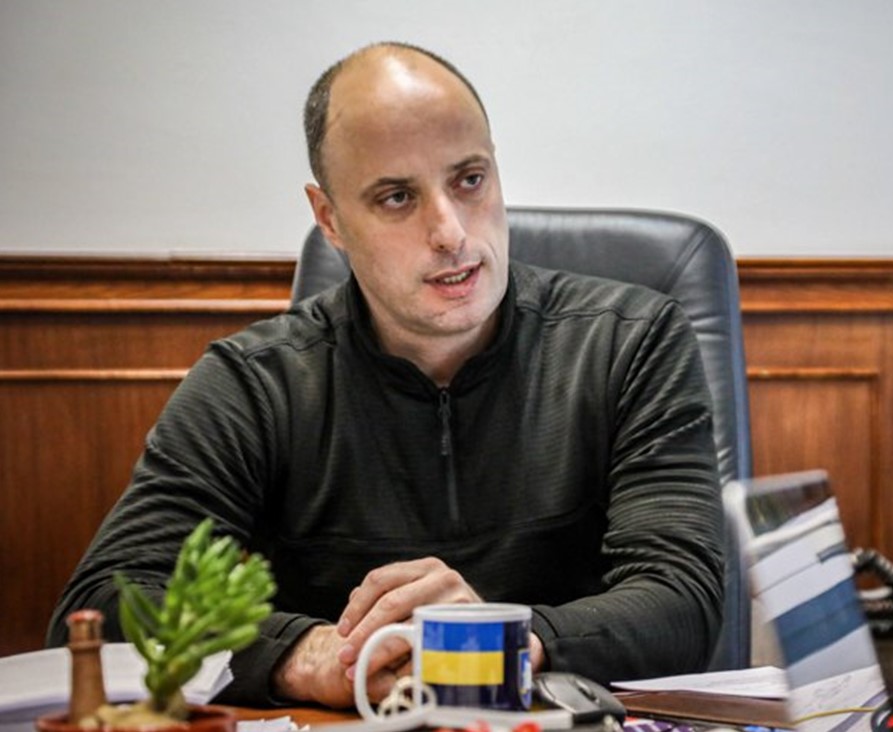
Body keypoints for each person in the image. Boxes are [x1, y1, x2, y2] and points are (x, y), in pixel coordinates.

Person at [47, 42, 724, 709]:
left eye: (470, 179)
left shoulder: (631, 342)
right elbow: (104, 604)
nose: (451, 232)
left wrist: (493, 642)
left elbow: (682, 600)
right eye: (398, 197)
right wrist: (304, 655)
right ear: (330, 219)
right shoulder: (256, 383)